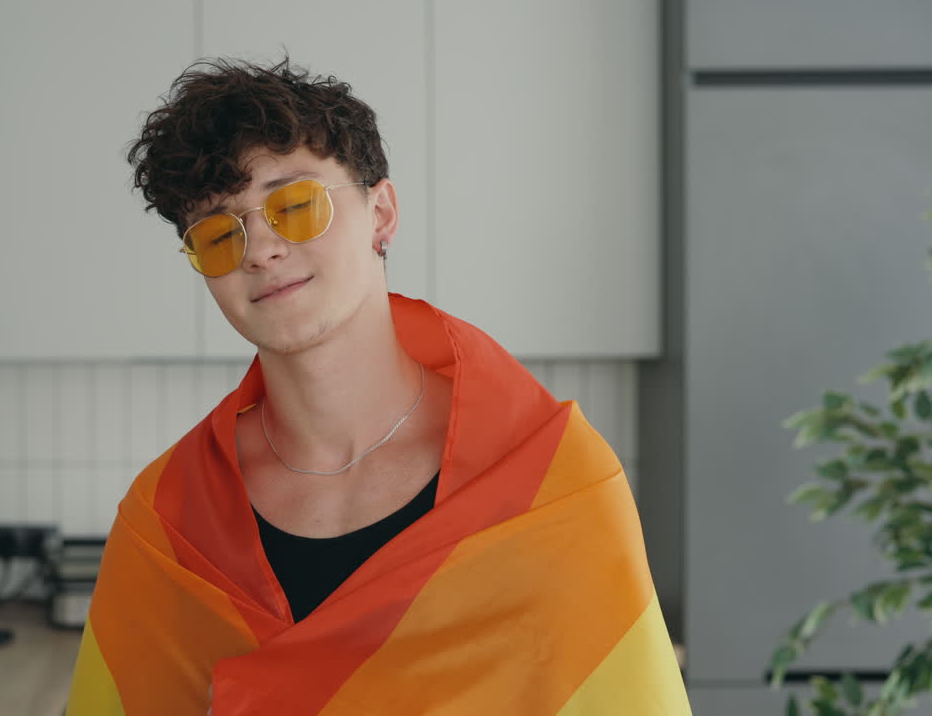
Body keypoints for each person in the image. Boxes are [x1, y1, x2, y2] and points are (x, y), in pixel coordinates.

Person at [66, 57, 691, 716]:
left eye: (296, 203)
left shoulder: (553, 482)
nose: (261, 249)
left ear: (382, 213)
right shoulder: (167, 522)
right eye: (220, 232)